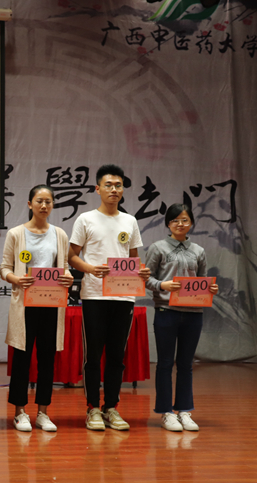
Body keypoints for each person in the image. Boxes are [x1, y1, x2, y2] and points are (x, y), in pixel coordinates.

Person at [68, 164, 150, 431]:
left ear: (123, 189)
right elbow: (72, 256)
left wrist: (142, 272)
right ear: (98, 189)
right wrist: (90, 269)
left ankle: (111, 407)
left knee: (117, 356)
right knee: (93, 355)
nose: (114, 189)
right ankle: (92, 408)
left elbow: (134, 259)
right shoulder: (86, 219)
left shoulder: (130, 221)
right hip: (94, 295)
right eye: (108, 185)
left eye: (118, 185)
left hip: (123, 297)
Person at [0, 185, 73, 432]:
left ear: (53, 205)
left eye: (48, 201)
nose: (44, 205)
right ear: (30, 204)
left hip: (51, 303)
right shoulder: (16, 233)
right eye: (39, 201)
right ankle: (19, 412)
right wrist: (16, 279)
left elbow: (64, 268)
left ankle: (43, 412)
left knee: (47, 359)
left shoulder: (59, 234)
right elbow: (4, 268)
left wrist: (68, 277)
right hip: (25, 305)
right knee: (21, 358)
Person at [144, 203, 218, 432]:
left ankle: (184, 411)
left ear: (191, 223)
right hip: (166, 311)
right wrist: (162, 285)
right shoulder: (157, 247)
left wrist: (211, 289)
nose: (180, 224)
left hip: (194, 313)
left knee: (186, 364)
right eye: (175, 220)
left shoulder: (198, 250)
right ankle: (166, 413)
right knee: (165, 363)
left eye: (185, 220)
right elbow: (146, 279)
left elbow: (202, 280)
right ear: (168, 223)